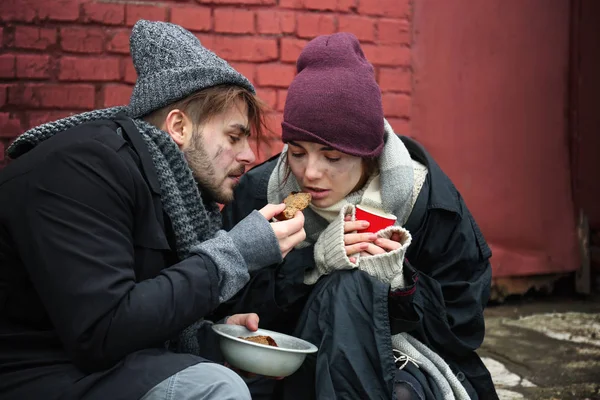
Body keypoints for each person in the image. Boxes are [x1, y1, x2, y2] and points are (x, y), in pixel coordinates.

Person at [0, 20, 306, 400]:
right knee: (216, 387)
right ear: (178, 126)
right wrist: (236, 253)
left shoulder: (169, 189)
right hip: (34, 373)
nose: (249, 156)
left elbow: (140, 312)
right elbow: (103, 331)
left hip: (92, 369)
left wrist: (215, 337)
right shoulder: (82, 169)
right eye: (234, 136)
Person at [215, 32, 498, 399]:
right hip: (288, 359)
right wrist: (310, 266)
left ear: (368, 154)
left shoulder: (428, 202)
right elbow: (225, 306)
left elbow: (463, 327)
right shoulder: (262, 194)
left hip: (400, 358)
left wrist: (399, 285)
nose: (310, 173)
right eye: (297, 152)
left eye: (332, 157)